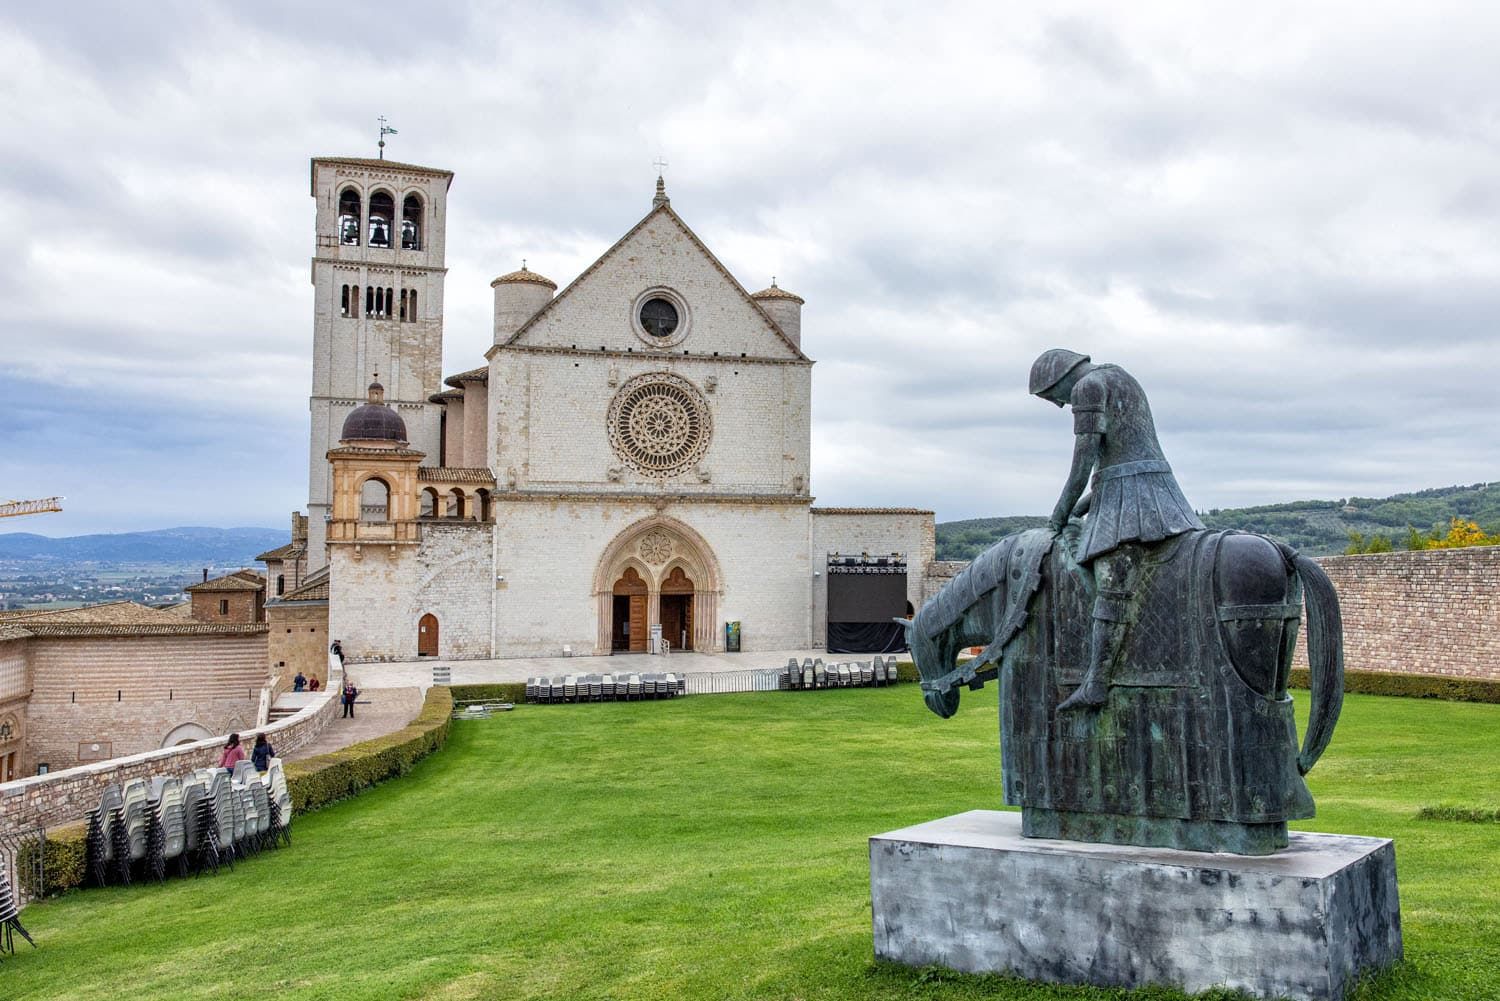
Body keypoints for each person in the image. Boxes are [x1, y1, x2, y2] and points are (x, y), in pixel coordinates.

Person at [1030, 349, 1204, 712]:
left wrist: (1059, 514)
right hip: (1146, 488)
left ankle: (1095, 683)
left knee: (1111, 581)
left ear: (1060, 380)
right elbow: (1124, 459)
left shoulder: (1087, 388)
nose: (1059, 405)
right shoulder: (1120, 376)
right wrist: (1082, 508)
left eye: (1051, 397)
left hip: (1134, 498)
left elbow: (1084, 461)